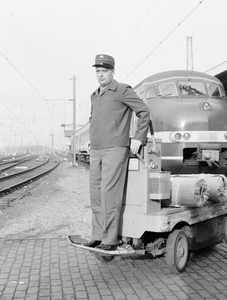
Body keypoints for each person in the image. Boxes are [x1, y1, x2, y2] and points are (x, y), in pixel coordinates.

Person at [86, 54, 150, 250]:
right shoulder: (95, 95)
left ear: (112, 71)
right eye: (98, 71)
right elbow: (94, 119)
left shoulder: (122, 90)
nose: (100, 75)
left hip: (115, 148)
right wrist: (91, 138)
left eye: (104, 71)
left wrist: (138, 138)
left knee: (109, 194)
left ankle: (110, 240)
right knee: (96, 194)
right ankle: (98, 235)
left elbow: (144, 112)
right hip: (96, 149)